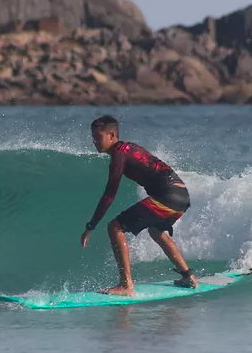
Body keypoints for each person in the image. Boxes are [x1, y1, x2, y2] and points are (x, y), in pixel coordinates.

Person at [80, 115, 198, 296]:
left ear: (112, 135)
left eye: (98, 137)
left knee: (115, 227)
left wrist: (91, 226)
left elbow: (110, 194)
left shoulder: (119, 154)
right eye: (93, 137)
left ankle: (126, 285)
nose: (94, 141)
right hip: (181, 195)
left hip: (167, 195)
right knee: (156, 231)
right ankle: (188, 276)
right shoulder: (129, 148)